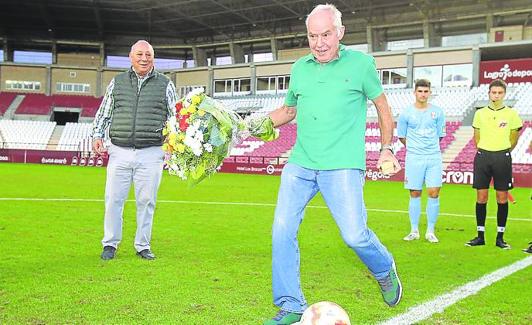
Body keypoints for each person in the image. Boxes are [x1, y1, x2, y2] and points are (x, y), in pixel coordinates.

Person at [261, 4, 402, 325]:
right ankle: (291, 304)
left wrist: (386, 148)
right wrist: (245, 126)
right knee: (281, 230)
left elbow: (383, 107)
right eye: (313, 36)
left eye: (326, 34)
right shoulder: (300, 68)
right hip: (300, 164)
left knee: (354, 235)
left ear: (339, 33)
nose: (319, 42)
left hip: (342, 166)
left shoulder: (362, 64)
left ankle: (383, 269)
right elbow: (288, 112)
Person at [91, 40, 177, 260]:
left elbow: (174, 117)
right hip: (119, 150)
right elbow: (104, 112)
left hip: (151, 152)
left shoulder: (166, 84)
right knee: (113, 199)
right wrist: (97, 135)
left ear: (153, 58)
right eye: (139, 54)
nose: (144, 58)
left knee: (147, 201)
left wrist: (173, 143)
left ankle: (142, 245)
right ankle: (110, 244)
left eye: (148, 54)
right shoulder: (117, 82)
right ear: (131, 57)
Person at [465, 79, 522, 250]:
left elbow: (514, 137)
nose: (496, 95)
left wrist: (502, 150)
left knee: (502, 198)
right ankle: (480, 236)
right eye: (493, 92)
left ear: (504, 94)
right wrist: (486, 149)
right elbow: (477, 136)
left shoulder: (512, 113)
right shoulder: (480, 113)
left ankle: (500, 237)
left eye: (499, 93)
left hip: (502, 157)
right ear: (489, 93)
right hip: (483, 156)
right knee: (481, 197)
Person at [397, 79, 445, 243]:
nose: (423, 94)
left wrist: (427, 148)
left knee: (434, 192)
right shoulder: (406, 113)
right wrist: (415, 148)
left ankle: (430, 231)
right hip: (414, 157)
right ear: (415, 93)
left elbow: (440, 135)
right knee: (415, 192)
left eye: (426, 91)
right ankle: (414, 230)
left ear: (430, 93)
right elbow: (402, 136)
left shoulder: (438, 112)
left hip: (433, 157)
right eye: (420, 91)